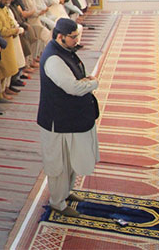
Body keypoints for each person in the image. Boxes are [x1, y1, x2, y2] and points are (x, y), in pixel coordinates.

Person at [38, 18, 100, 217]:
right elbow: (72, 87)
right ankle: (57, 202)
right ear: (60, 37)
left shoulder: (65, 51)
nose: (76, 40)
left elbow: (79, 75)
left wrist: (86, 79)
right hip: (57, 120)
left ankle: (66, 193)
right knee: (60, 164)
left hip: (71, 116)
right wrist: (93, 83)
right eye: (73, 37)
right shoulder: (53, 58)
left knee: (72, 160)